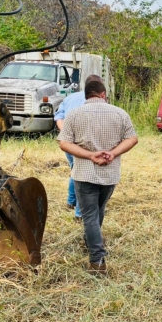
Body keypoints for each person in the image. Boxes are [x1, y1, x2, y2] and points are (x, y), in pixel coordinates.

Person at [58, 81, 138, 275]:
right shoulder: (120, 113)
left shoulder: (74, 114)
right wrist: (113, 153)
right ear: (103, 94)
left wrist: (89, 155)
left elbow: (63, 143)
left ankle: (97, 260)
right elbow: (132, 138)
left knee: (90, 216)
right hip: (109, 174)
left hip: (84, 173)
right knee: (98, 210)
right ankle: (92, 241)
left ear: (86, 95)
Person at [54, 74, 104, 219]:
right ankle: (79, 213)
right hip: (85, 144)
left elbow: (58, 117)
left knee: (75, 171)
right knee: (83, 177)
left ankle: (71, 201)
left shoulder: (70, 98)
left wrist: (66, 133)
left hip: (69, 144)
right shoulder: (96, 102)